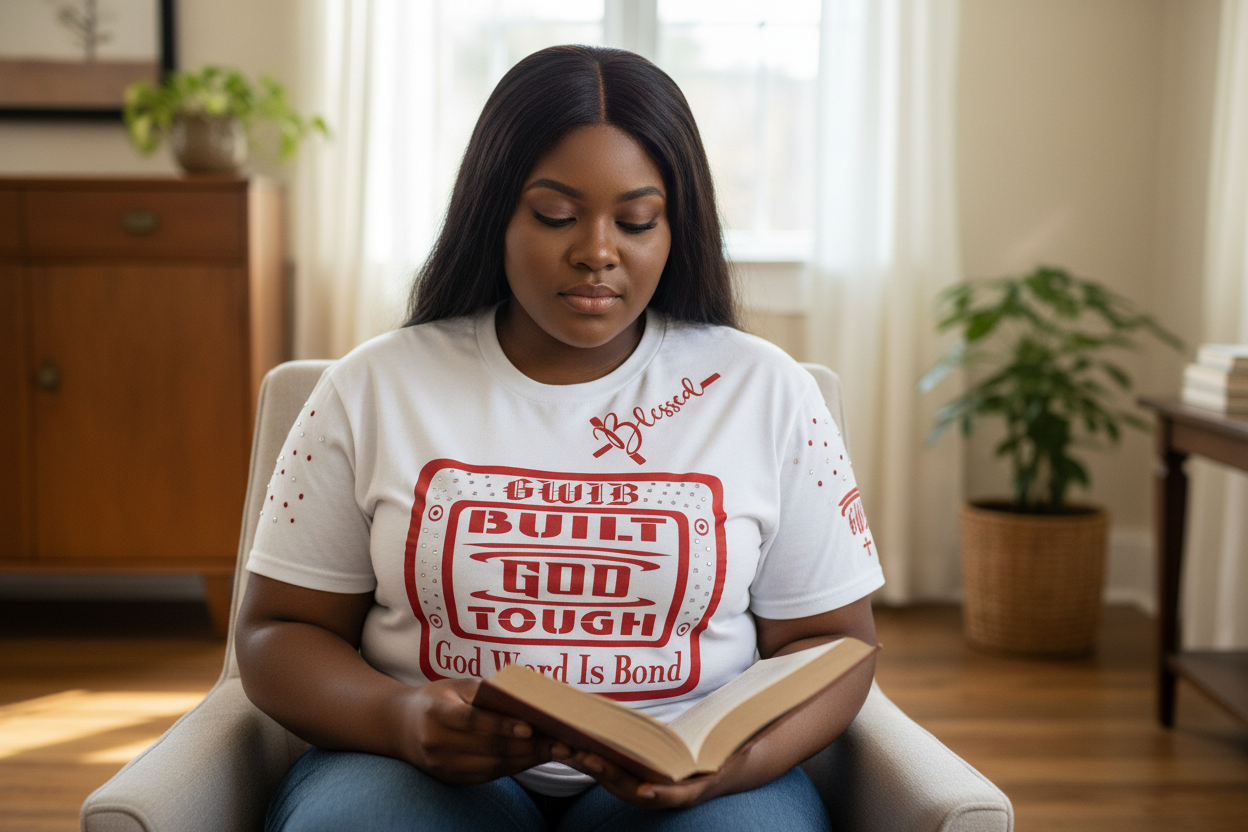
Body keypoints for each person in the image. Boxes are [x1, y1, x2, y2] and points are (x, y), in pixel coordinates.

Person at [236, 44, 884, 832]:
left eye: (638, 220)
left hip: (700, 788)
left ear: (677, 227)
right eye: (555, 215)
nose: (598, 251)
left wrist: (731, 766)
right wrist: (400, 719)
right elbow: (276, 631)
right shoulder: (375, 387)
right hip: (415, 772)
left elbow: (833, 644)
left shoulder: (763, 390)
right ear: (493, 213)